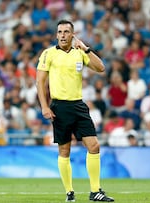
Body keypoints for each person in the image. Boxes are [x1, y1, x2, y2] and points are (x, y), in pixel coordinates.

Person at [36, 20, 114, 202]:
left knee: (94, 146)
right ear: (56, 35)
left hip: (78, 105)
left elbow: (101, 68)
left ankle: (95, 191)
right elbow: (40, 82)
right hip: (59, 106)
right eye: (60, 32)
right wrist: (45, 106)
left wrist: (86, 48)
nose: (63, 35)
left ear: (72, 34)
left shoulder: (80, 53)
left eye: (66, 32)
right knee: (65, 150)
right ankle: (69, 192)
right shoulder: (48, 54)